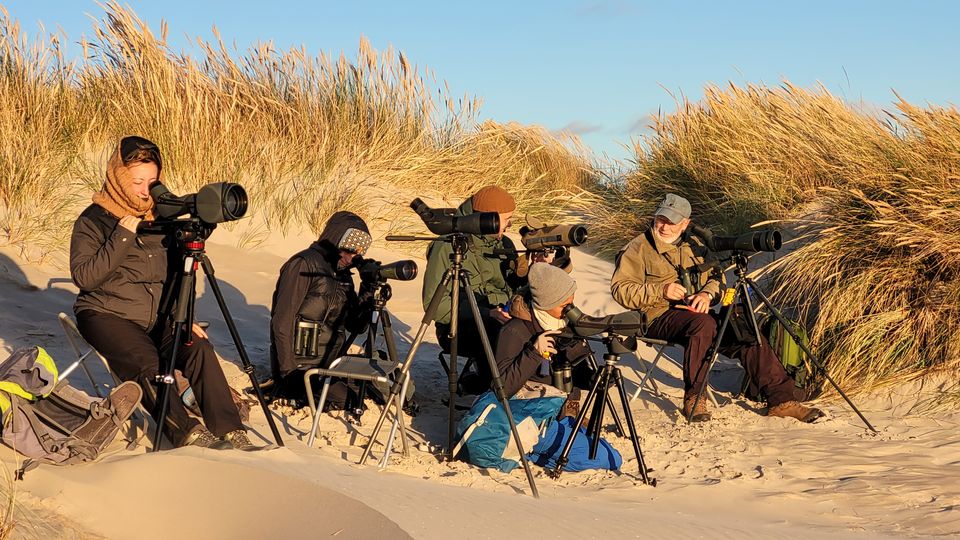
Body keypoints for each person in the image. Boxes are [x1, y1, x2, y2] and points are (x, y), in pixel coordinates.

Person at [71, 135, 262, 450]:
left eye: (152, 181)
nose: (146, 190)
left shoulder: (164, 219)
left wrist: (184, 318)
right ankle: (185, 432)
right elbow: (85, 277)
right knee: (148, 362)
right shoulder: (93, 220)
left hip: (158, 318)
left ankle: (231, 430)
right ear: (118, 178)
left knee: (198, 347)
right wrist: (123, 234)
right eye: (137, 182)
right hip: (106, 314)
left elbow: (177, 276)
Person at [610, 193, 823, 423]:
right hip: (656, 316)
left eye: (672, 222)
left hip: (697, 314)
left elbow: (717, 277)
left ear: (685, 224)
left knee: (745, 329)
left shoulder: (696, 246)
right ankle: (694, 397)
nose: (664, 226)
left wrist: (707, 294)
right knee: (704, 324)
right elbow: (620, 290)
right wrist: (660, 290)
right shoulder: (638, 248)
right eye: (661, 219)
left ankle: (781, 401)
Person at [268, 211, 374, 407]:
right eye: (349, 250)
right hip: (299, 366)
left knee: (372, 387)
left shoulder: (344, 276)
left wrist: (368, 290)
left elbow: (356, 326)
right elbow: (282, 321)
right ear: (335, 238)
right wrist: (288, 372)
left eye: (357, 254)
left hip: (330, 364)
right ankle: (285, 389)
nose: (352, 258)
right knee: (353, 401)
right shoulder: (304, 264)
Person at [421, 186, 519, 394]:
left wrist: (534, 270)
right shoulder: (448, 245)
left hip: (501, 317)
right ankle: (499, 392)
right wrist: (486, 312)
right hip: (458, 327)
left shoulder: (504, 244)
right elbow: (435, 307)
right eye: (505, 219)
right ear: (487, 218)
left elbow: (515, 292)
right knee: (504, 336)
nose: (509, 225)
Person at [496, 263, 594, 399]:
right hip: (532, 411)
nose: (570, 310)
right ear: (546, 304)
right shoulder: (514, 331)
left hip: (566, 410)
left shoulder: (567, 324)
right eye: (565, 306)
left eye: (572, 302)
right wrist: (533, 353)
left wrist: (592, 379)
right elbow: (502, 389)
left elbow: (575, 374)